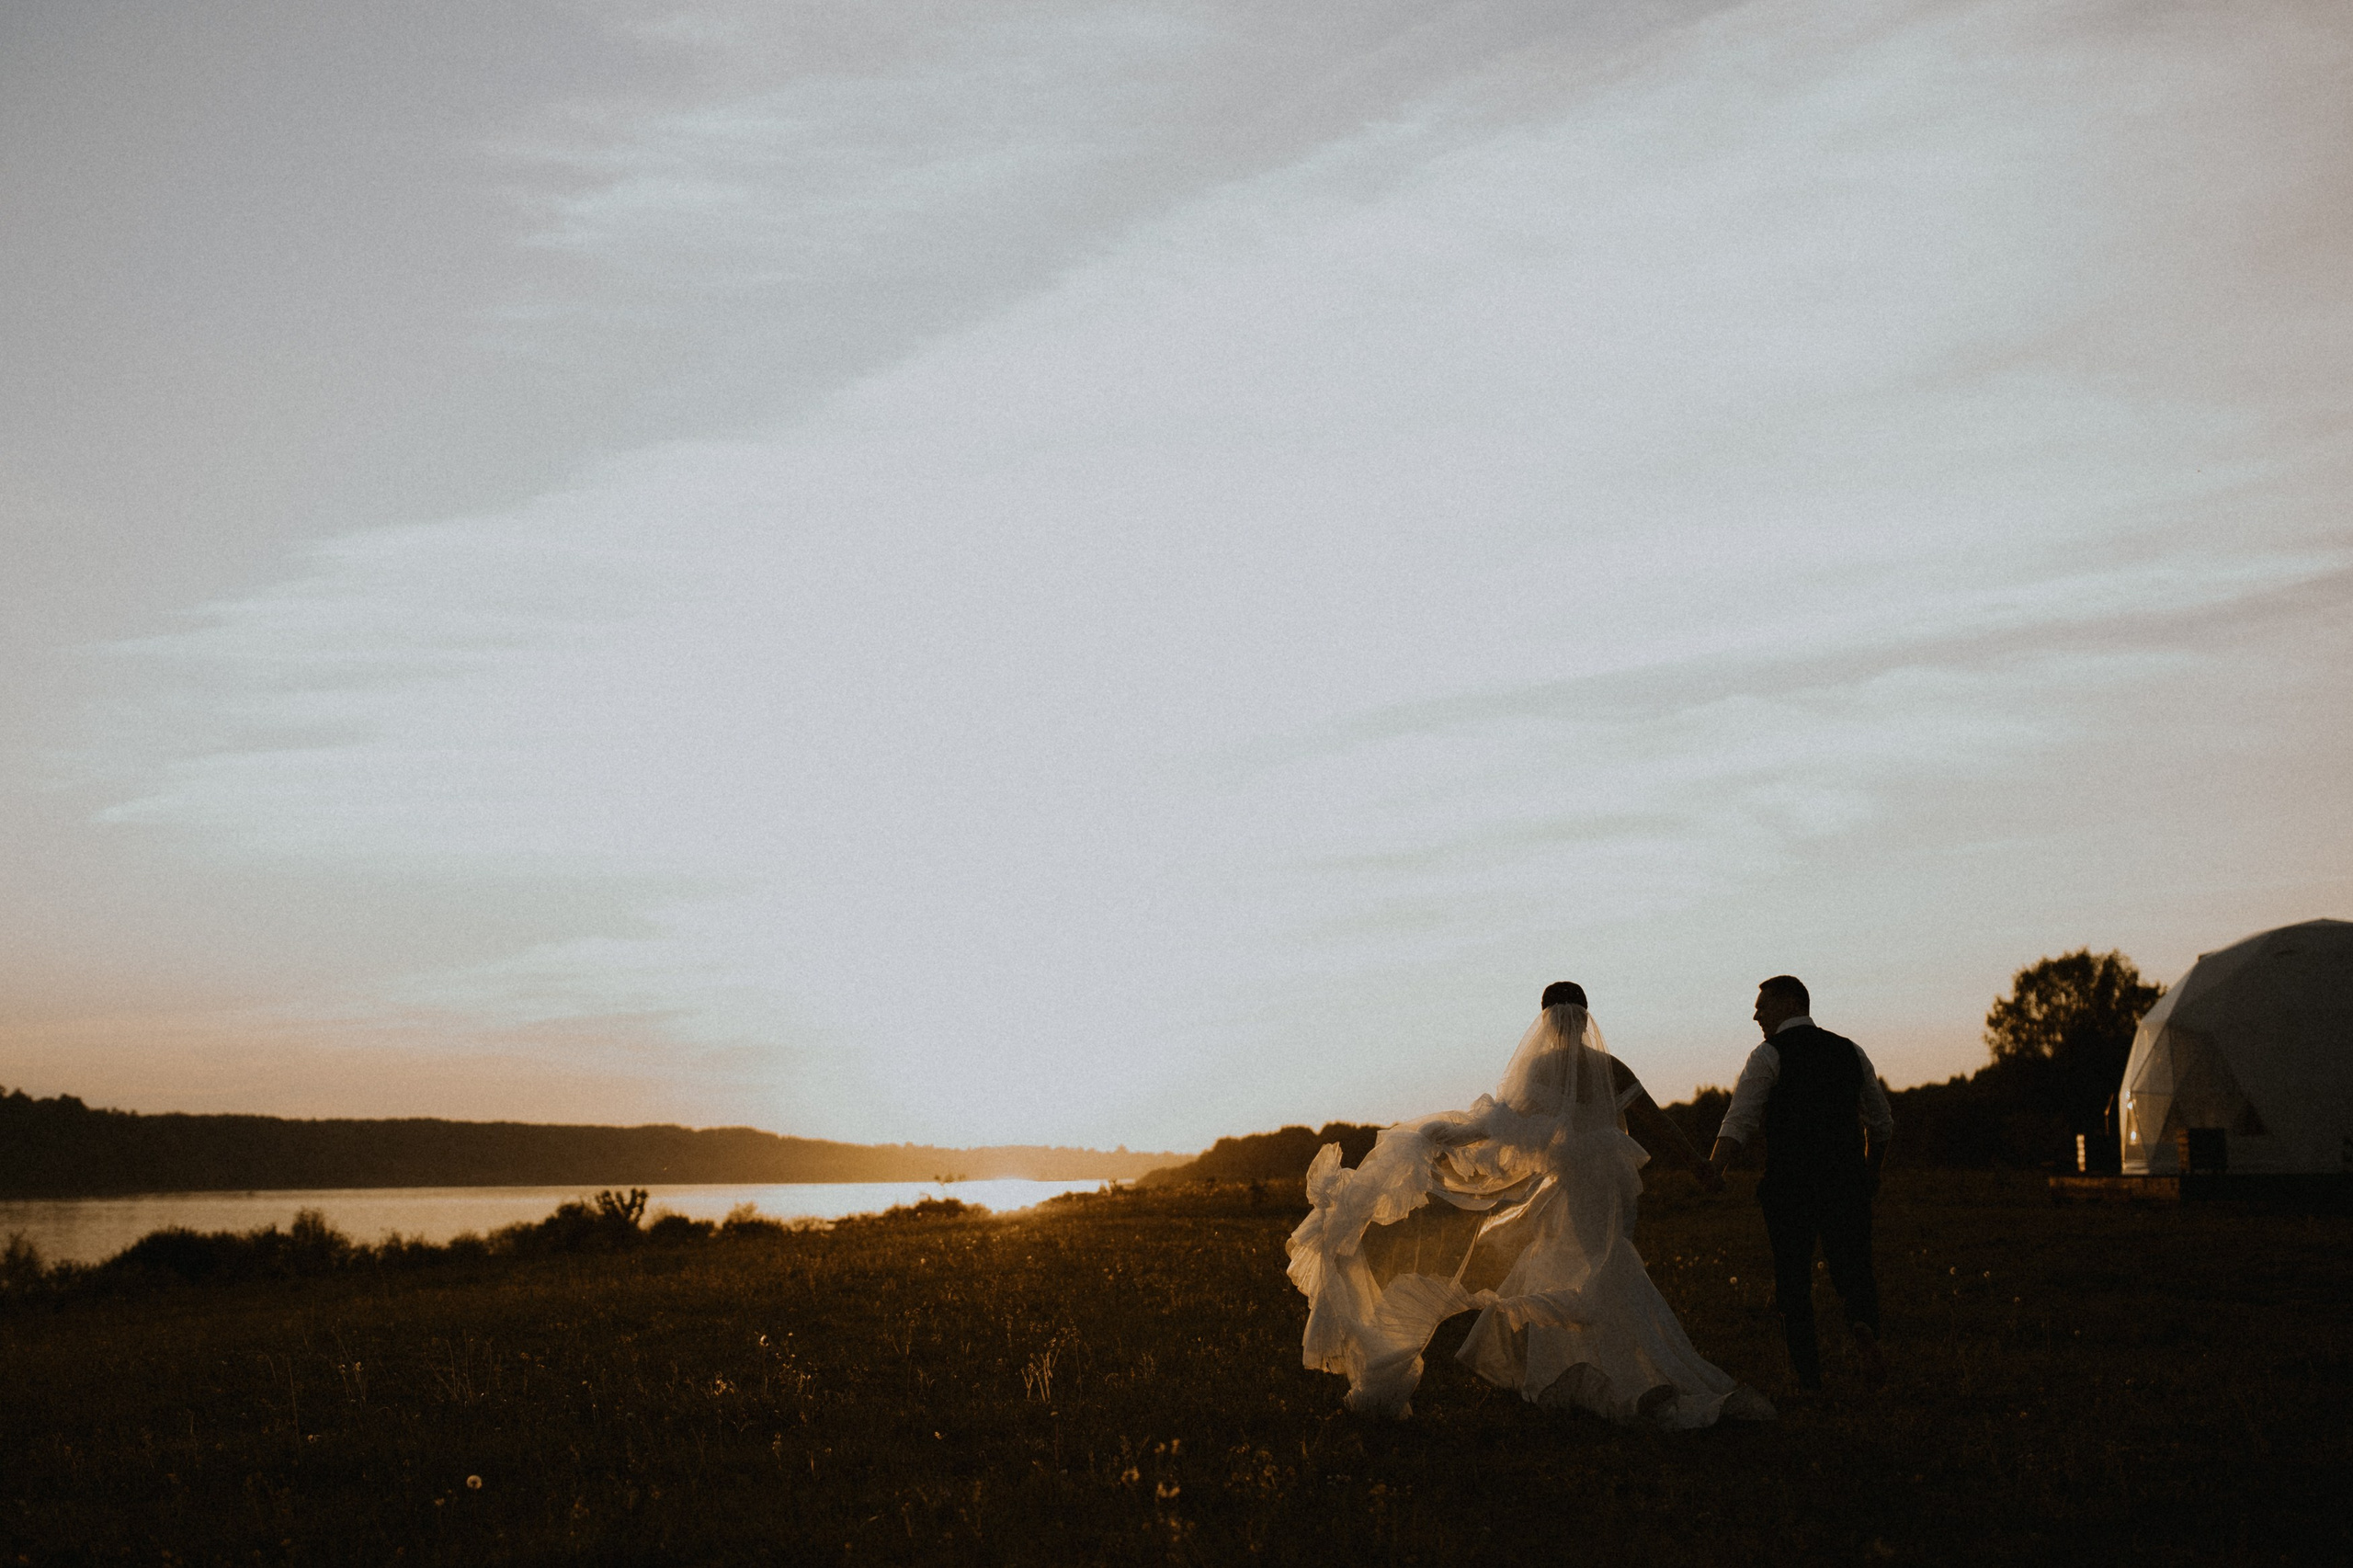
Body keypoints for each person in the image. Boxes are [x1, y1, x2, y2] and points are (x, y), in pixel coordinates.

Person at [1286, 982, 1775, 1426]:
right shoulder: (1610, 1067)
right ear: (1584, 1018)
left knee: (1588, 1273)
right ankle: (1597, 1373)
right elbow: (1656, 1122)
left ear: (1545, 1020)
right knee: (1600, 1266)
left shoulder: (1541, 1068)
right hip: (1610, 1186)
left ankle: (1617, 1378)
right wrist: (1699, 1165)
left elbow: (1500, 1125)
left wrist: (1442, 1137)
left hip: (1573, 1187)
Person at [1704, 975, 1893, 1391]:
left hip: (1790, 1184)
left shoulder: (1768, 1054)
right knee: (1855, 1266)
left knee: (1793, 1278)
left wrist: (1716, 1169)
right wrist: (1871, 1170)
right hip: (1846, 1180)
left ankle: (1810, 1378)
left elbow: (1739, 1120)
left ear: (1791, 1003)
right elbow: (1881, 1122)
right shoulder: (1850, 1050)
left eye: (1763, 1005)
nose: (1756, 1015)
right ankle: (1863, 1324)